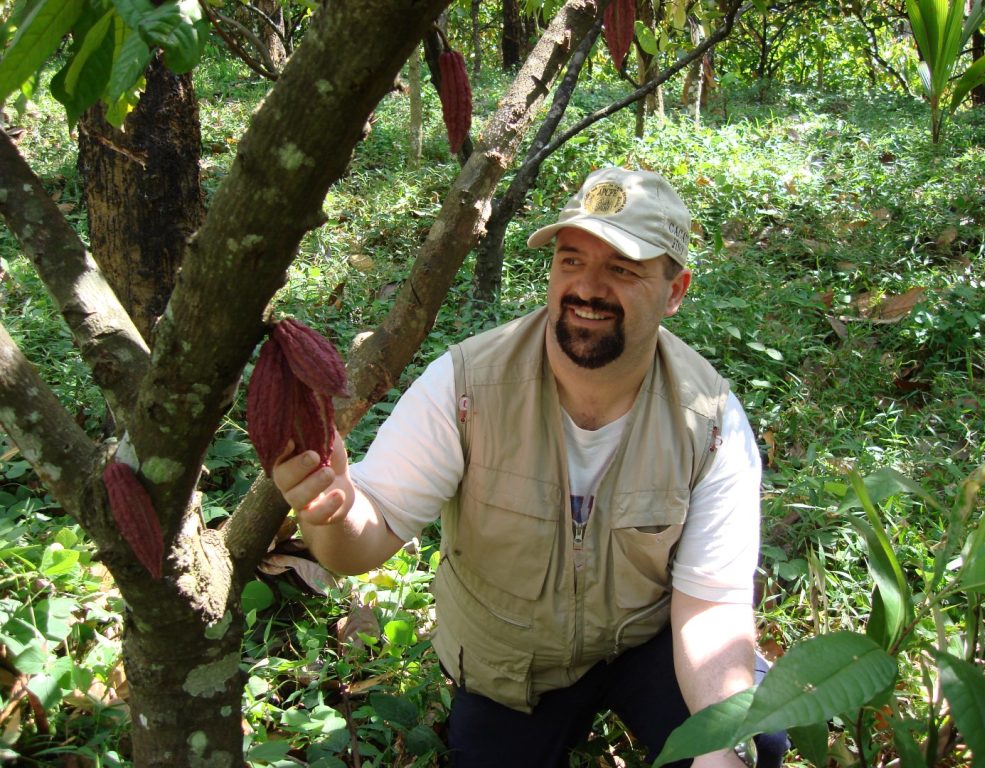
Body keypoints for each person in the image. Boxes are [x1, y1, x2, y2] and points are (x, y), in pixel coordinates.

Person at [273, 167, 787, 767]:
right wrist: (332, 513)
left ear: (675, 291)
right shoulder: (467, 387)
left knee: (758, 739)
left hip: (646, 640)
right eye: (571, 261)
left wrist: (720, 744)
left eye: (622, 269)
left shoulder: (711, 420)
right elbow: (366, 538)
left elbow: (711, 609)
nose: (587, 288)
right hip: (511, 666)